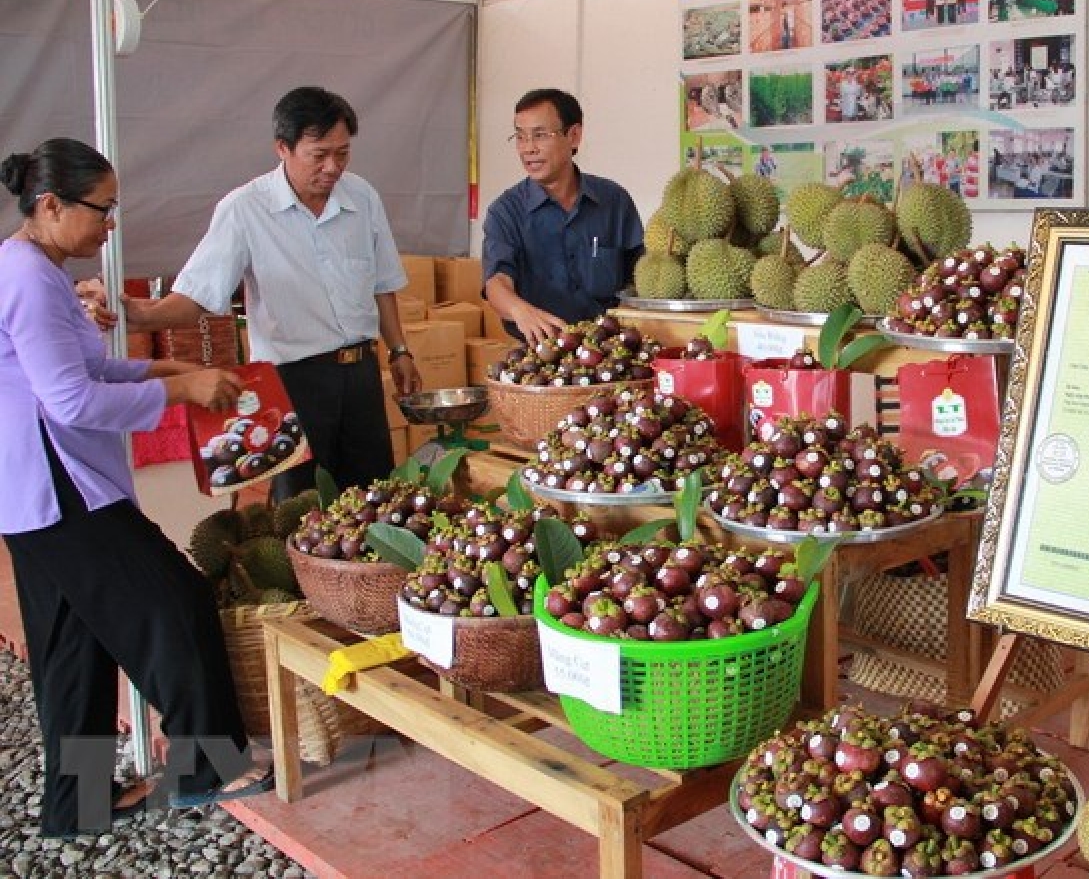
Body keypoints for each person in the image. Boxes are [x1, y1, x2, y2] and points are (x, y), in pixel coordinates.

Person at [0, 139, 273, 838]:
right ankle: (203, 766)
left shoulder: (39, 271)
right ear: (52, 205)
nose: (111, 224)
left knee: (72, 642)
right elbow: (70, 402)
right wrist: (179, 389)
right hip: (58, 488)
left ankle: (78, 800)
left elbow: (93, 376)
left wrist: (170, 380)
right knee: (173, 602)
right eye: (102, 208)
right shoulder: (29, 279)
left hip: (36, 490)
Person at [123, 87, 419, 501]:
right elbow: (198, 295)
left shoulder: (362, 197)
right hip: (293, 382)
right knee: (300, 507)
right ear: (283, 148)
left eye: (343, 153)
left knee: (375, 498)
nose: (333, 167)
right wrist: (140, 315)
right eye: (319, 155)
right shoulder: (244, 209)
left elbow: (382, 284)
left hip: (360, 375)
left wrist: (399, 351)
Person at [482, 88, 643, 345]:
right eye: (520, 137)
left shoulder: (614, 201)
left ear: (574, 136)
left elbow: (642, 278)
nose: (528, 149)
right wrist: (520, 311)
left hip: (613, 353)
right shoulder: (505, 212)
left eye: (540, 135)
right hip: (540, 357)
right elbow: (497, 283)